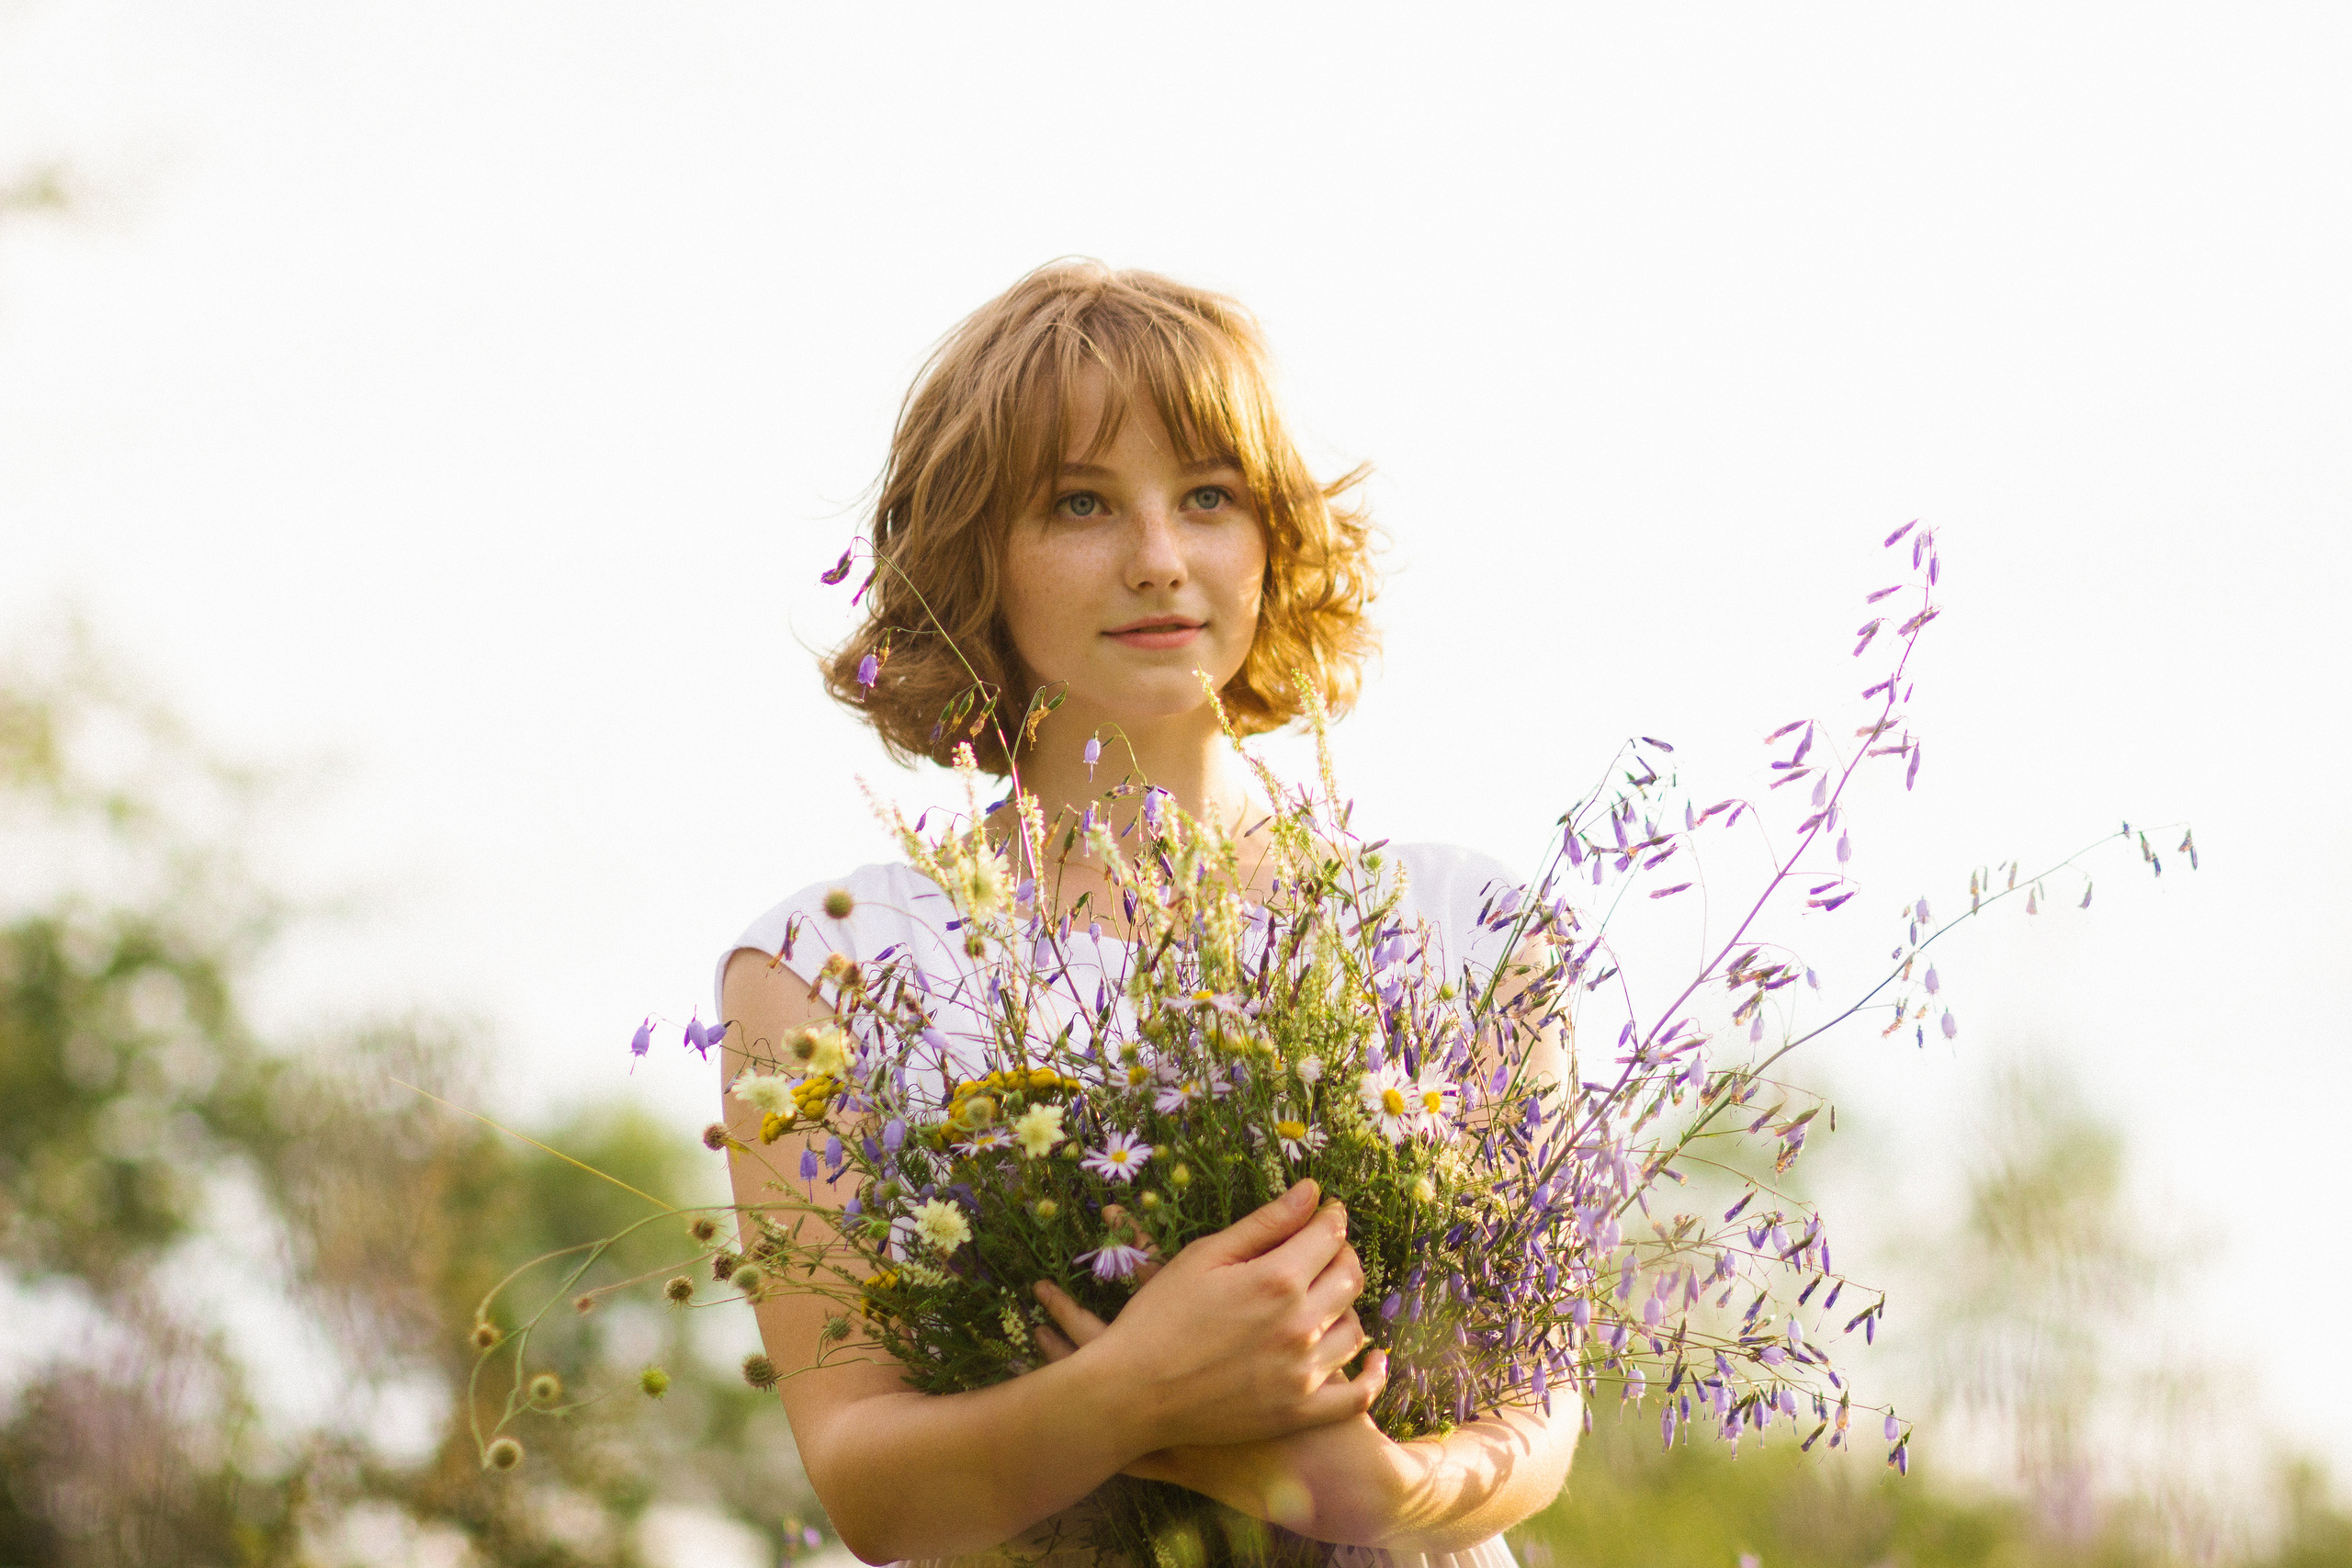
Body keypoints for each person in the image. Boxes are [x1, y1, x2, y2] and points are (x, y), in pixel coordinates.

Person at [715, 262, 1577, 1565]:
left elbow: (1540, 1414)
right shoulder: (820, 971)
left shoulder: (1470, 930)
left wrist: (1387, 1491)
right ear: (973, 555)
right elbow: (866, 1487)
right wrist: (1135, 1395)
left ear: (1272, 534)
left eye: (1209, 498)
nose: (1160, 561)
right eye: (1079, 503)